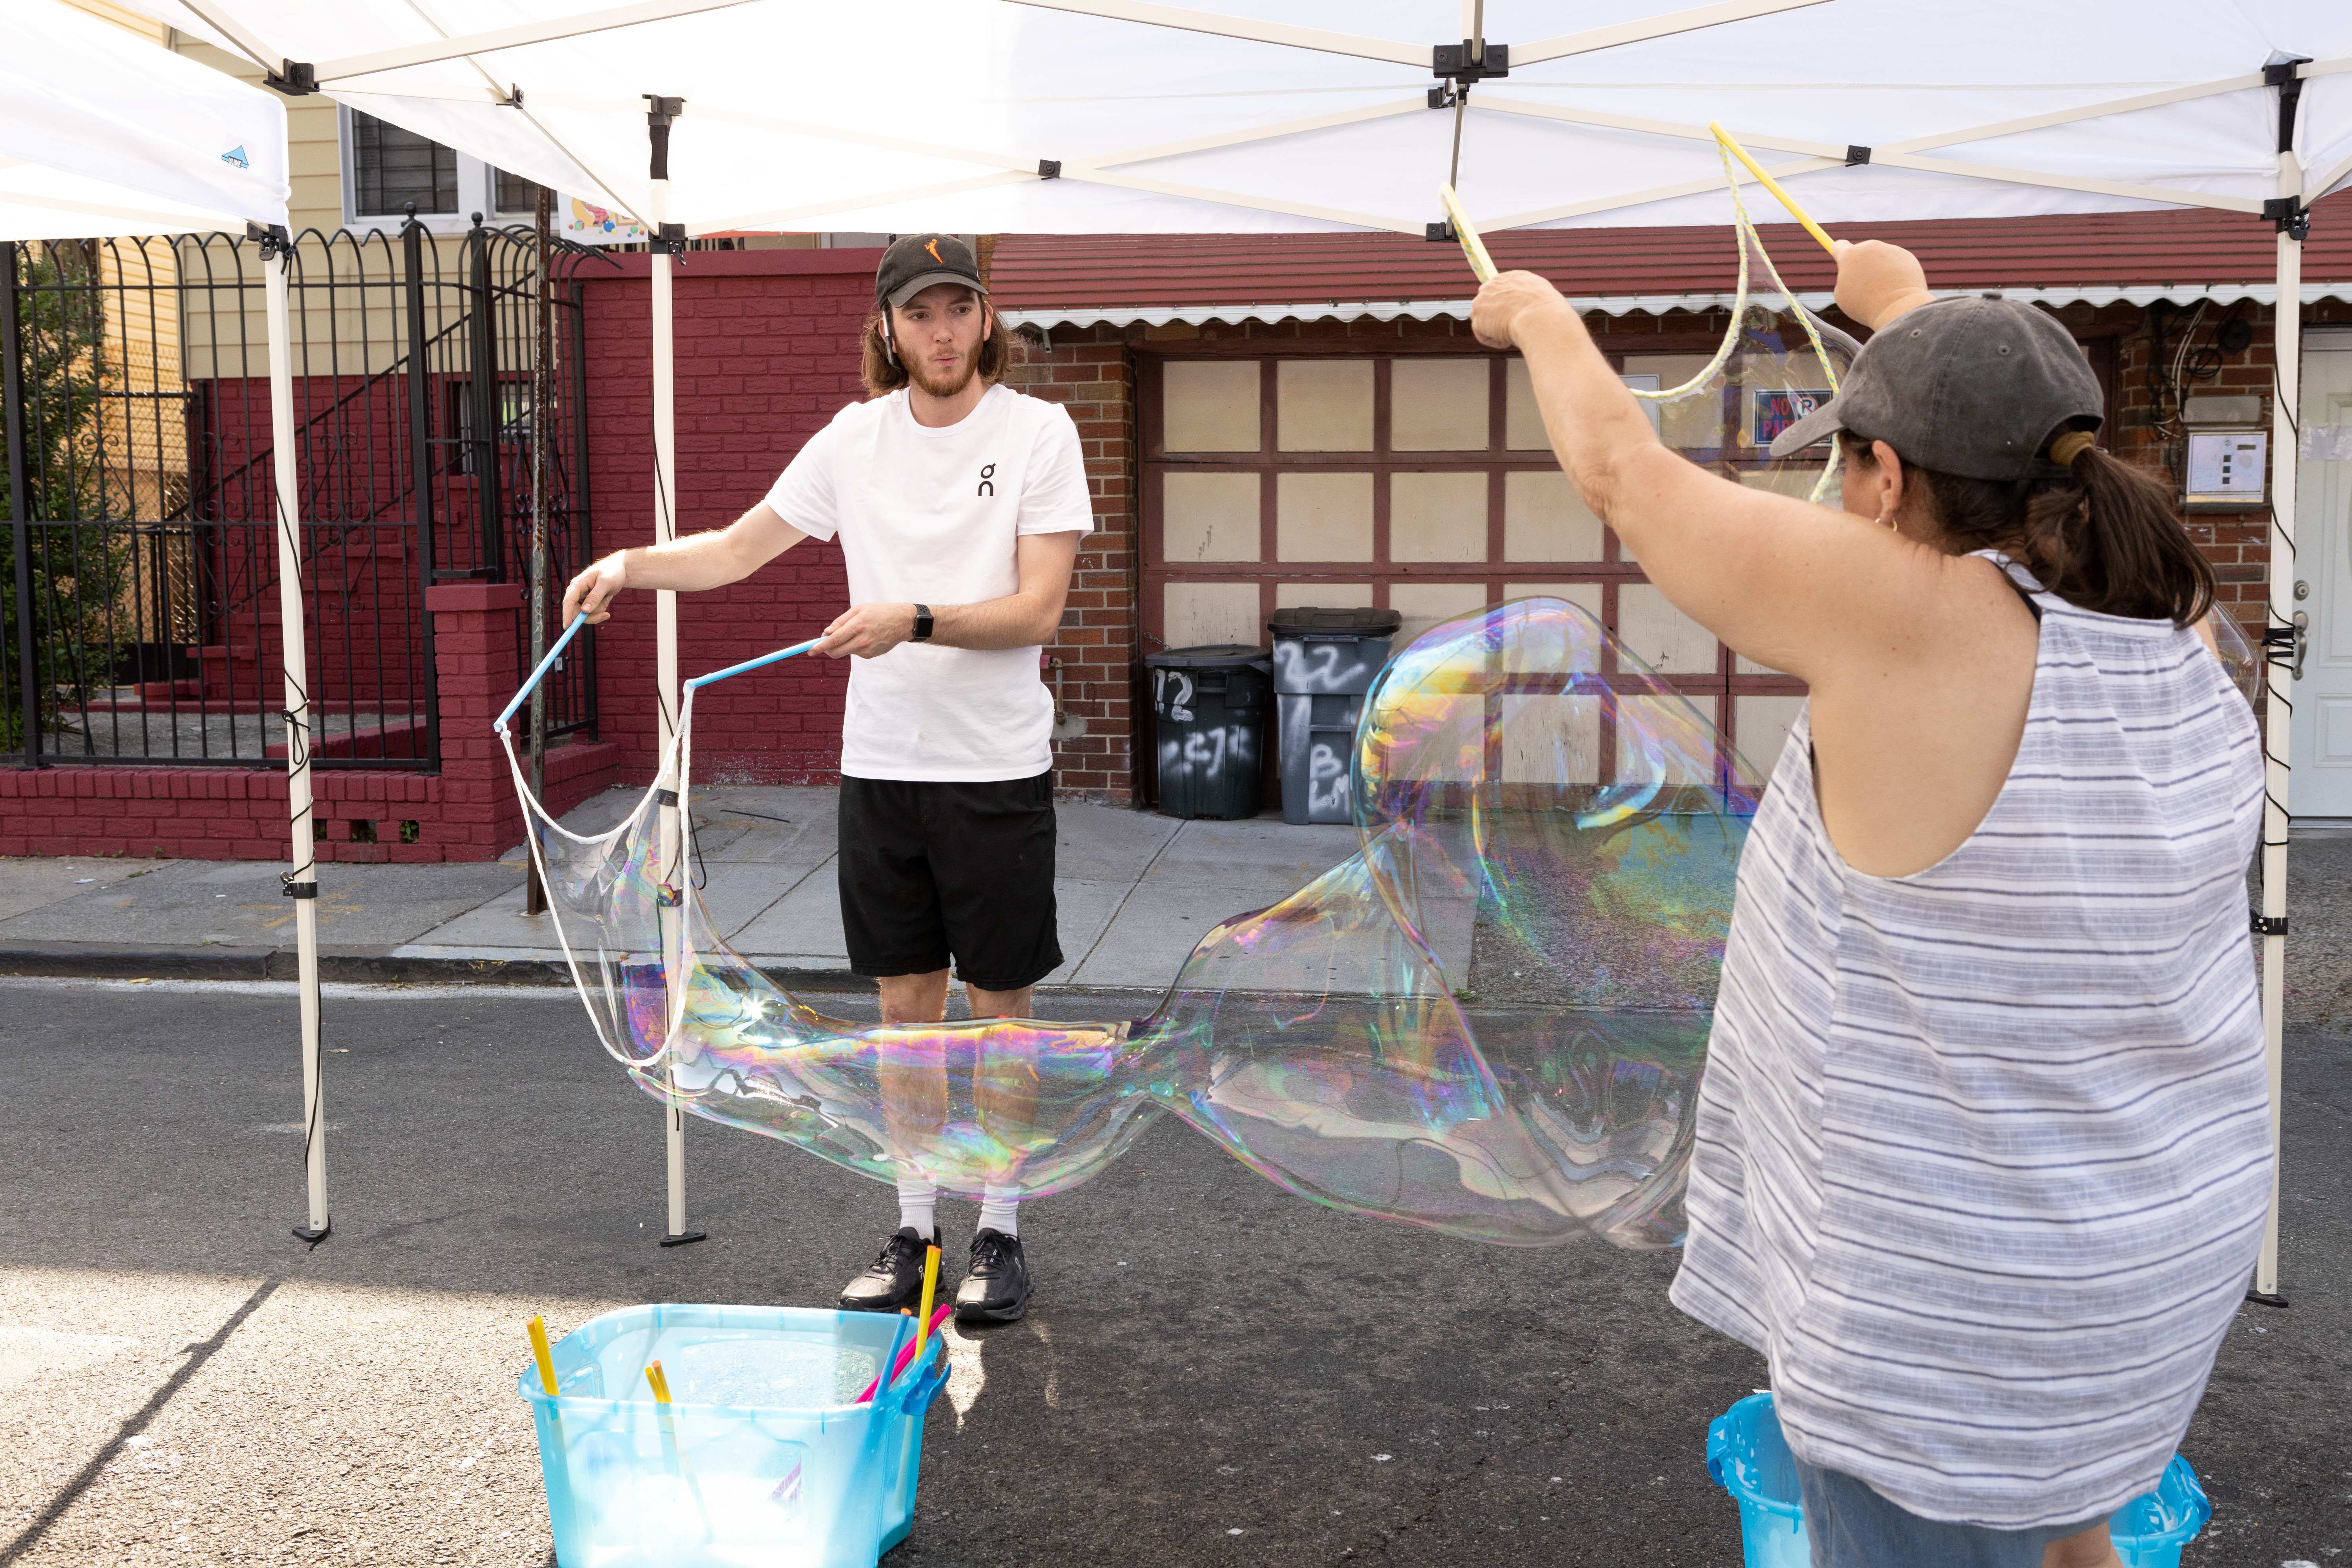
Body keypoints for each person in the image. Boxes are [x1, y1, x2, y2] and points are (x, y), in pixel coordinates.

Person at [1473, 243, 2267, 1568]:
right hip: (2138, 1261)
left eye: (1854, 463)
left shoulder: (1912, 616)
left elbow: (1625, 473)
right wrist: (1905, 314)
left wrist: (1541, 314)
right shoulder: (2173, 622)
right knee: (2073, 1547)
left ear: (1889, 477)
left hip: (1953, 1308)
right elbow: (2004, 429)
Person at [561, 233, 1094, 1325]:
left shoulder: (1039, 432)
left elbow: (1038, 609)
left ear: (987, 321)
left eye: (960, 310)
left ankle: (1000, 1232)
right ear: (888, 329)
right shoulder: (854, 439)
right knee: (905, 1009)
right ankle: (916, 1233)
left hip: (995, 769)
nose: (942, 332)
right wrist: (629, 564)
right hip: (883, 770)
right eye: (921, 313)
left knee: (999, 1012)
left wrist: (917, 618)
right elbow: (735, 550)